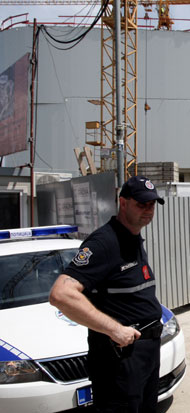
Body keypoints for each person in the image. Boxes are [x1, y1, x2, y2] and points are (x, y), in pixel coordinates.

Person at [49, 176, 166, 413]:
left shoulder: (132, 238)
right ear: (123, 203)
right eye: (141, 204)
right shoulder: (104, 242)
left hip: (146, 354)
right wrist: (115, 330)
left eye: (151, 205)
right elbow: (61, 294)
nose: (147, 210)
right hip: (121, 359)